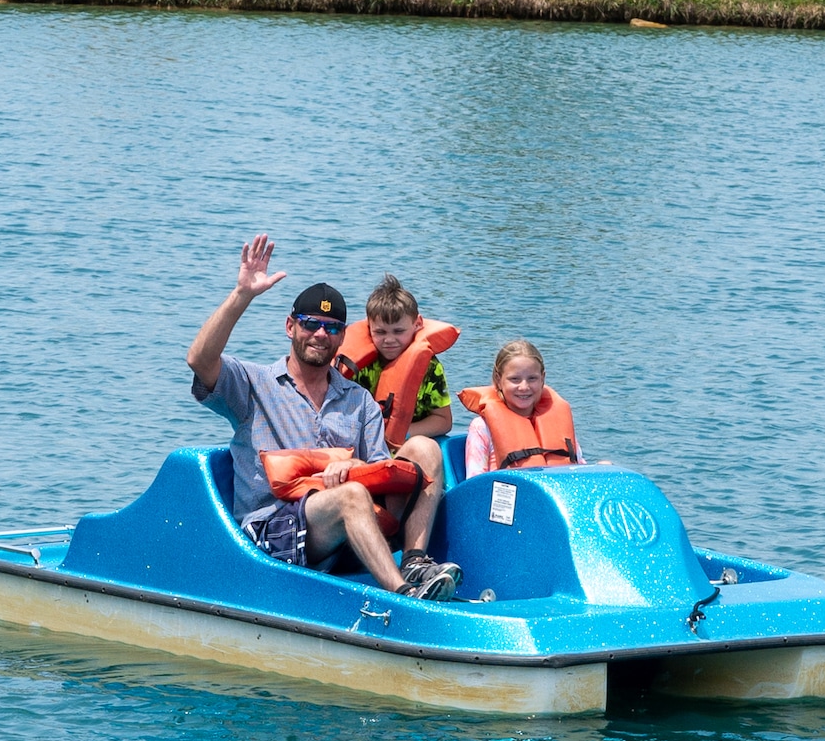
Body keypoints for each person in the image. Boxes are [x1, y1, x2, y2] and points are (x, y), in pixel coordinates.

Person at [186, 237, 458, 598]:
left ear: (342, 337)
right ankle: (404, 595)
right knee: (351, 496)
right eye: (310, 324)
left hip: (345, 534)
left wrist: (354, 466)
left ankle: (414, 560)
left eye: (331, 328)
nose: (320, 334)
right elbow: (200, 360)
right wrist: (243, 295)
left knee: (424, 449)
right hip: (274, 533)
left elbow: (379, 469)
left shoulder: (358, 400)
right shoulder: (253, 384)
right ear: (290, 327)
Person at [334, 275, 458, 567]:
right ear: (368, 329)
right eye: (381, 332)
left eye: (398, 331)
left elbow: (443, 420)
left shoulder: (428, 366)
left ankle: (414, 558)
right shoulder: (354, 367)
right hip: (361, 458)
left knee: (424, 447)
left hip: (399, 454)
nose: (389, 340)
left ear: (417, 325)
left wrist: (400, 434)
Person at [460, 340, 581, 478]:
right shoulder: (481, 427)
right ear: (498, 380)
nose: (524, 387)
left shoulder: (560, 423)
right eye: (515, 379)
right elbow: (475, 484)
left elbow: (580, 468)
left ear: (543, 379)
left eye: (532, 379)